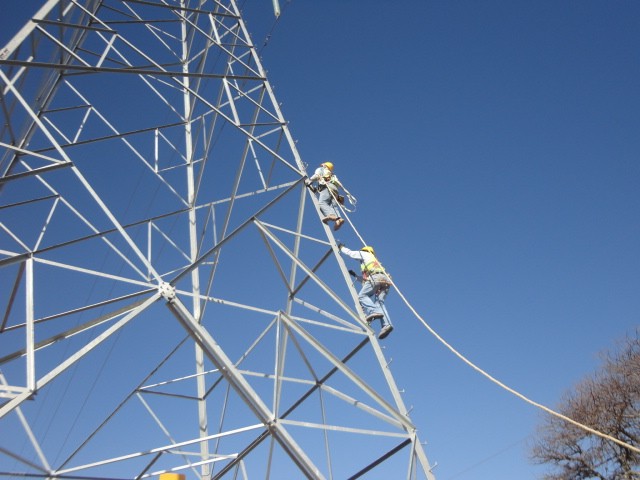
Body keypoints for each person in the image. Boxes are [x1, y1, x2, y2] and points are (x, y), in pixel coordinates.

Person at [338, 244, 394, 339]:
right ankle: (387, 325)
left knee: (362, 296)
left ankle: (373, 311)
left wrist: (341, 248)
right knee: (380, 303)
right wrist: (355, 276)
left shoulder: (364, 254)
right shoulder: (375, 261)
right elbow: (366, 281)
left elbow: (351, 253)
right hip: (385, 280)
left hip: (376, 278)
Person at [305, 162, 353, 231]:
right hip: (334, 190)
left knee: (322, 203)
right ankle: (338, 219)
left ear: (325, 165)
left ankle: (331, 215)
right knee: (333, 206)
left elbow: (316, 175)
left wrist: (310, 180)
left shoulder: (322, 169)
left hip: (327, 187)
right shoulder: (331, 174)